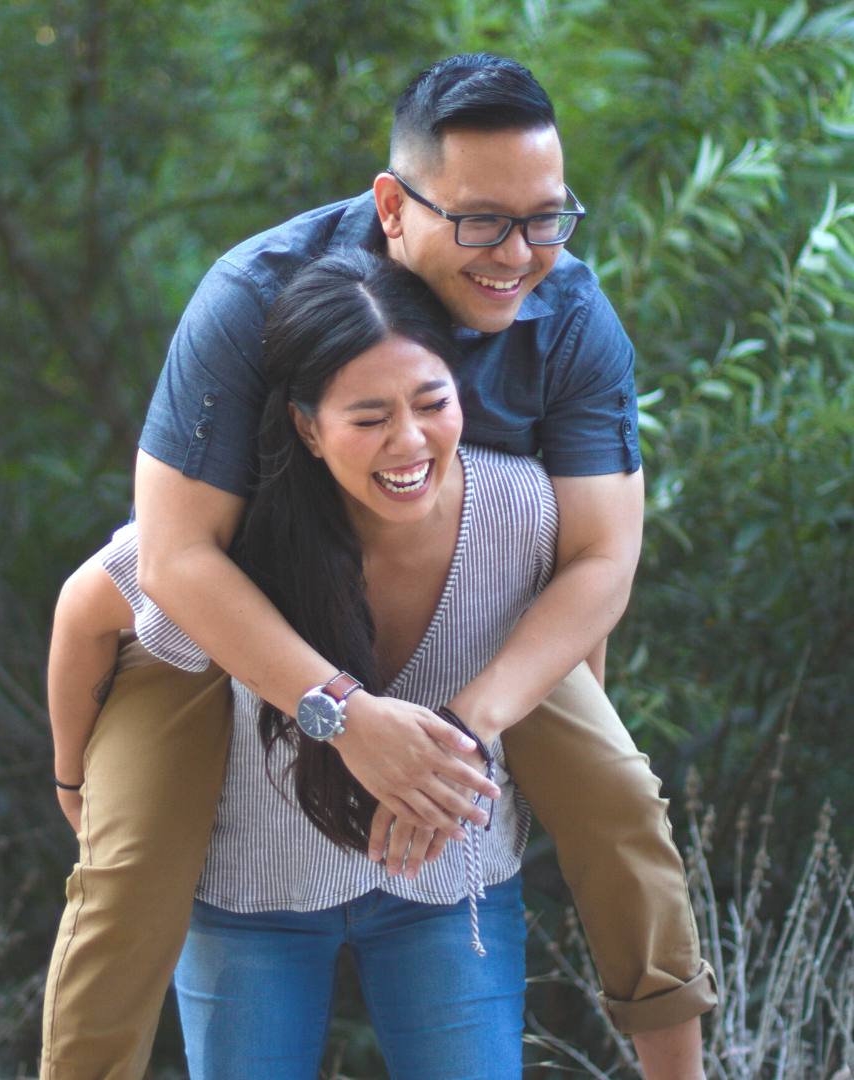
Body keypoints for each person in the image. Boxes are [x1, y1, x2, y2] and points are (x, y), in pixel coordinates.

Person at [41, 54, 715, 1080]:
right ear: (394, 206)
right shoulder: (254, 299)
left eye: (546, 218)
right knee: (127, 870)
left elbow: (600, 562)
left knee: (620, 799)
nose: (518, 254)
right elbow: (170, 558)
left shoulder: (572, 318)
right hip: (235, 607)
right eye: (482, 222)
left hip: (484, 608)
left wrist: (474, 727)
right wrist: (342, 713)